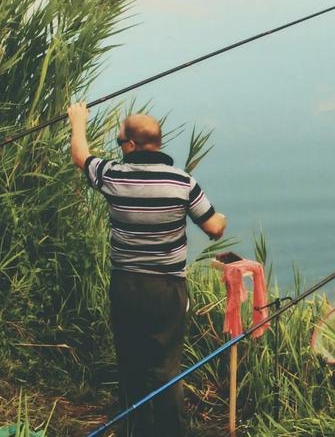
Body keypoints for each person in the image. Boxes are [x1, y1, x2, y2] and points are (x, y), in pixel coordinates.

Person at [67, 102, 227, 437]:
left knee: (131, 358)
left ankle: (136, 427)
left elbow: (80, 155)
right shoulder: (182, 182)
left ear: (130, 146)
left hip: (126, 285)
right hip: (167, 288)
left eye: (120, 141)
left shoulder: (113, 176)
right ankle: (171, 431)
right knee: (165, 364)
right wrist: (220, 219)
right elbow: (214, 228)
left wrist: (78, 120)